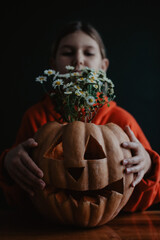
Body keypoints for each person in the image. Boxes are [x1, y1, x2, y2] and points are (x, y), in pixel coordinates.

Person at [0, 20, 160, 212]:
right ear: (53, 64)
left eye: (89, 53)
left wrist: (148, 166)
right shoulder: (35, 117)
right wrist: (7, 165)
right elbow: (21, 198)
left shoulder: (121, 121)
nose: (78, 60)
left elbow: (147, 194)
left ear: (103, 66)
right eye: (68, 53)